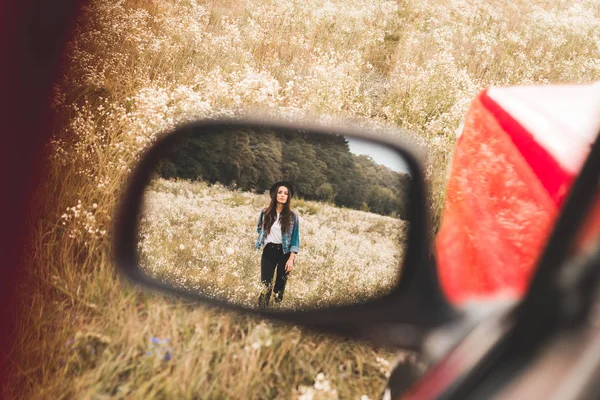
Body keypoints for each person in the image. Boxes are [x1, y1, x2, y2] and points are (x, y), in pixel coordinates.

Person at [255, 181, 300, 308]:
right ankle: (262, 311)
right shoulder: (265, 212)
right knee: (266, 284)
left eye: (286, 193)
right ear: (275, 195)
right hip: (269, 250)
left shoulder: (292, 216)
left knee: (279, 287)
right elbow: (260, 228)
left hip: (284, 253)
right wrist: (263, 239)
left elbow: (295, 238)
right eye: (280, 192)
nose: (282, 195)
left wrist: (291, 259)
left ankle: (275, 312)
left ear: (288, 197)